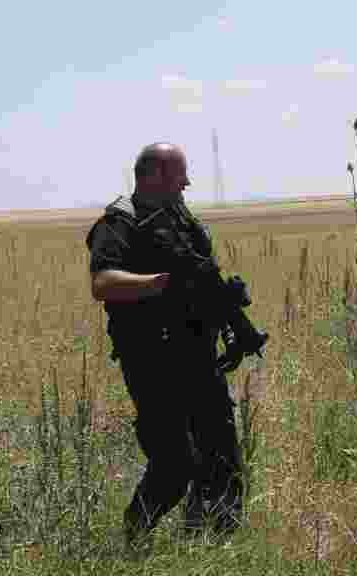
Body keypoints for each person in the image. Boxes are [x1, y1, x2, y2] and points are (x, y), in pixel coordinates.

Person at [86, 143, 244, 552]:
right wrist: (158, 283)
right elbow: (102, 283)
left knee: (222, 454)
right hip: (153, 359)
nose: (187, 182)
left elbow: (199, 276)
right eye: (180, 175)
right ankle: (132, 539)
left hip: (197, 354)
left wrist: (228, 312)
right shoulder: (121, 221)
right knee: (176, 463)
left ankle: (212, 546)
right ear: (152, 175)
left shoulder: (181, 220)